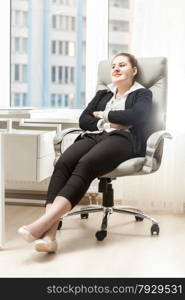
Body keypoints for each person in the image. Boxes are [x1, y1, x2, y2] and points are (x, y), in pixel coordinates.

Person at [18, 52, 152, 253]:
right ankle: (50, 236)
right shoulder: (103, 93)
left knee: (86, 164)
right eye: (113, 65)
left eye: (122, 65)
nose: (116, 69)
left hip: (123, 139)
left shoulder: (142, 94)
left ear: (134, 71)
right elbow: (83, 120)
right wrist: (105, 121)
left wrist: (103, 114)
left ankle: (41, 224)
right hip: (94, 135)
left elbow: (137, 115)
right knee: (63, 163)